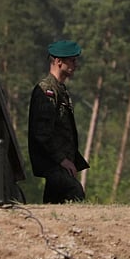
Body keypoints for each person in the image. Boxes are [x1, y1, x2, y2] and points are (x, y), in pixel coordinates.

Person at [28, 40, 89, 203]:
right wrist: (62, 160)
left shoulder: (60, 90)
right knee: (75, 192)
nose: (75, 65)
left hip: (61, 162)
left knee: (54, 203)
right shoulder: (46, 90)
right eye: (72, 60)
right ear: (58, 61)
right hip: (54, 163)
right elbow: (41, 133)